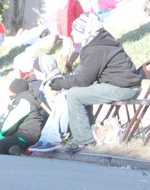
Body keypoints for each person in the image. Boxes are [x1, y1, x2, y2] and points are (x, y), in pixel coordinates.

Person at [47, 13, 142, 154]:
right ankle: (89, 133)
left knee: (74, 94)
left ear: (83, 31)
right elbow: (85, 78)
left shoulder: (95, 47)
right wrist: (66, 81)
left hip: (123, 88)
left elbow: (83, 80)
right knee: (80, 92)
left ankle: (84, 140)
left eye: (75, 30)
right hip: (123, 85)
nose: (72, 33)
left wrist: (60, 83)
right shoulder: (99, 40)